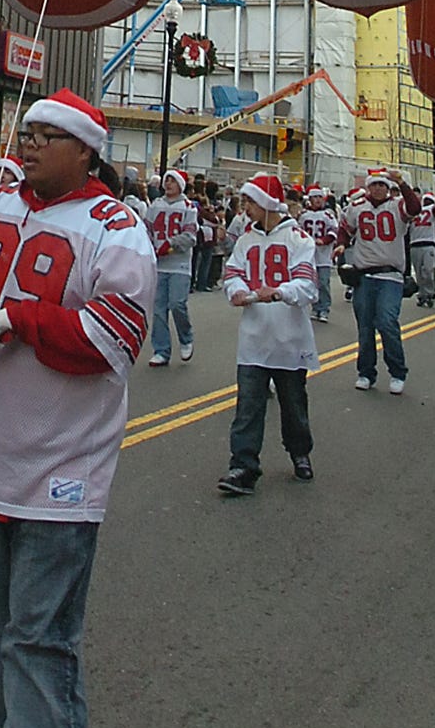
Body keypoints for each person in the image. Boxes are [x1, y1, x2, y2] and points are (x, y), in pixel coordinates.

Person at [0, 88, 155, 728]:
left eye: (48, 134)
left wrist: (20, 320)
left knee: (38, 639)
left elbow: (112, 337)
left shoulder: (116, 227)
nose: (29, 142)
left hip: (61, 471)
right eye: (27, 131)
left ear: (86, 151)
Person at [218, 172, 318, 495]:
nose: (245, 207)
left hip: (289, 338)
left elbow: (307, 286)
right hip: (254, 338)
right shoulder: (246, 240)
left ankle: (299, 451)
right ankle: (243, 465)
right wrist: (235, 290)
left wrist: (278, 292)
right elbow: (232, 273)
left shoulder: (299, 239)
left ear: (267, 203)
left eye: (250, 201)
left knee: (292, 402)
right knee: (248, 404)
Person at [337, 170, 420, 393]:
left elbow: (415, 208)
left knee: (386, 320)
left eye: (382, 185)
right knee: (365, 327)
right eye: (374, 185)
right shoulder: (357, 207)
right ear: (369, 187)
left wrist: (401, 182)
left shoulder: (397, 206)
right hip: (364, 274)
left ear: (388, 187)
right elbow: (345, 228)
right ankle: (366, 372)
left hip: (390, 275)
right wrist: (342, 243)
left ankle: (397, 371)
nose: (378, 189)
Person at [142, 168, 198, 365]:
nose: (168, 185)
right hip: (158, 266)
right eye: (167, 181)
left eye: (172, 181)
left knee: (177, 304)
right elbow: (146, 229)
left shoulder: (188, 207)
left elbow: (191, 236)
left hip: (179, 265)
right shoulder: (155, 205)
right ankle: (161, 350)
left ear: (180, 185)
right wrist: (150, 246)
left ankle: (186, 338)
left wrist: (170, 245)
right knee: (158, 310)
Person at [298, 186, 339, 322]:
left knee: (323, 282)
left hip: (323, 256)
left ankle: (324, 308)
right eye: (314, 197)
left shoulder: (328, 215)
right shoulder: (304, 215)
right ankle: (315, 307)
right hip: (309, 256)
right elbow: (298, 232)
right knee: (312, 283)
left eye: (319, 197)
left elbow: (334, 231)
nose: (317, 200)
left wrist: (324, 240)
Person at [409, 193, 435, 305]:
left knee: (428, 270)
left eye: (429, 200)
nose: (427, 201)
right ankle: (422, 294)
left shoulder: (432, 211)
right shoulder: (414, 211)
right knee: (418, 272)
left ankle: (429, 292)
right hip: (414, 243)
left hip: (428, 243)